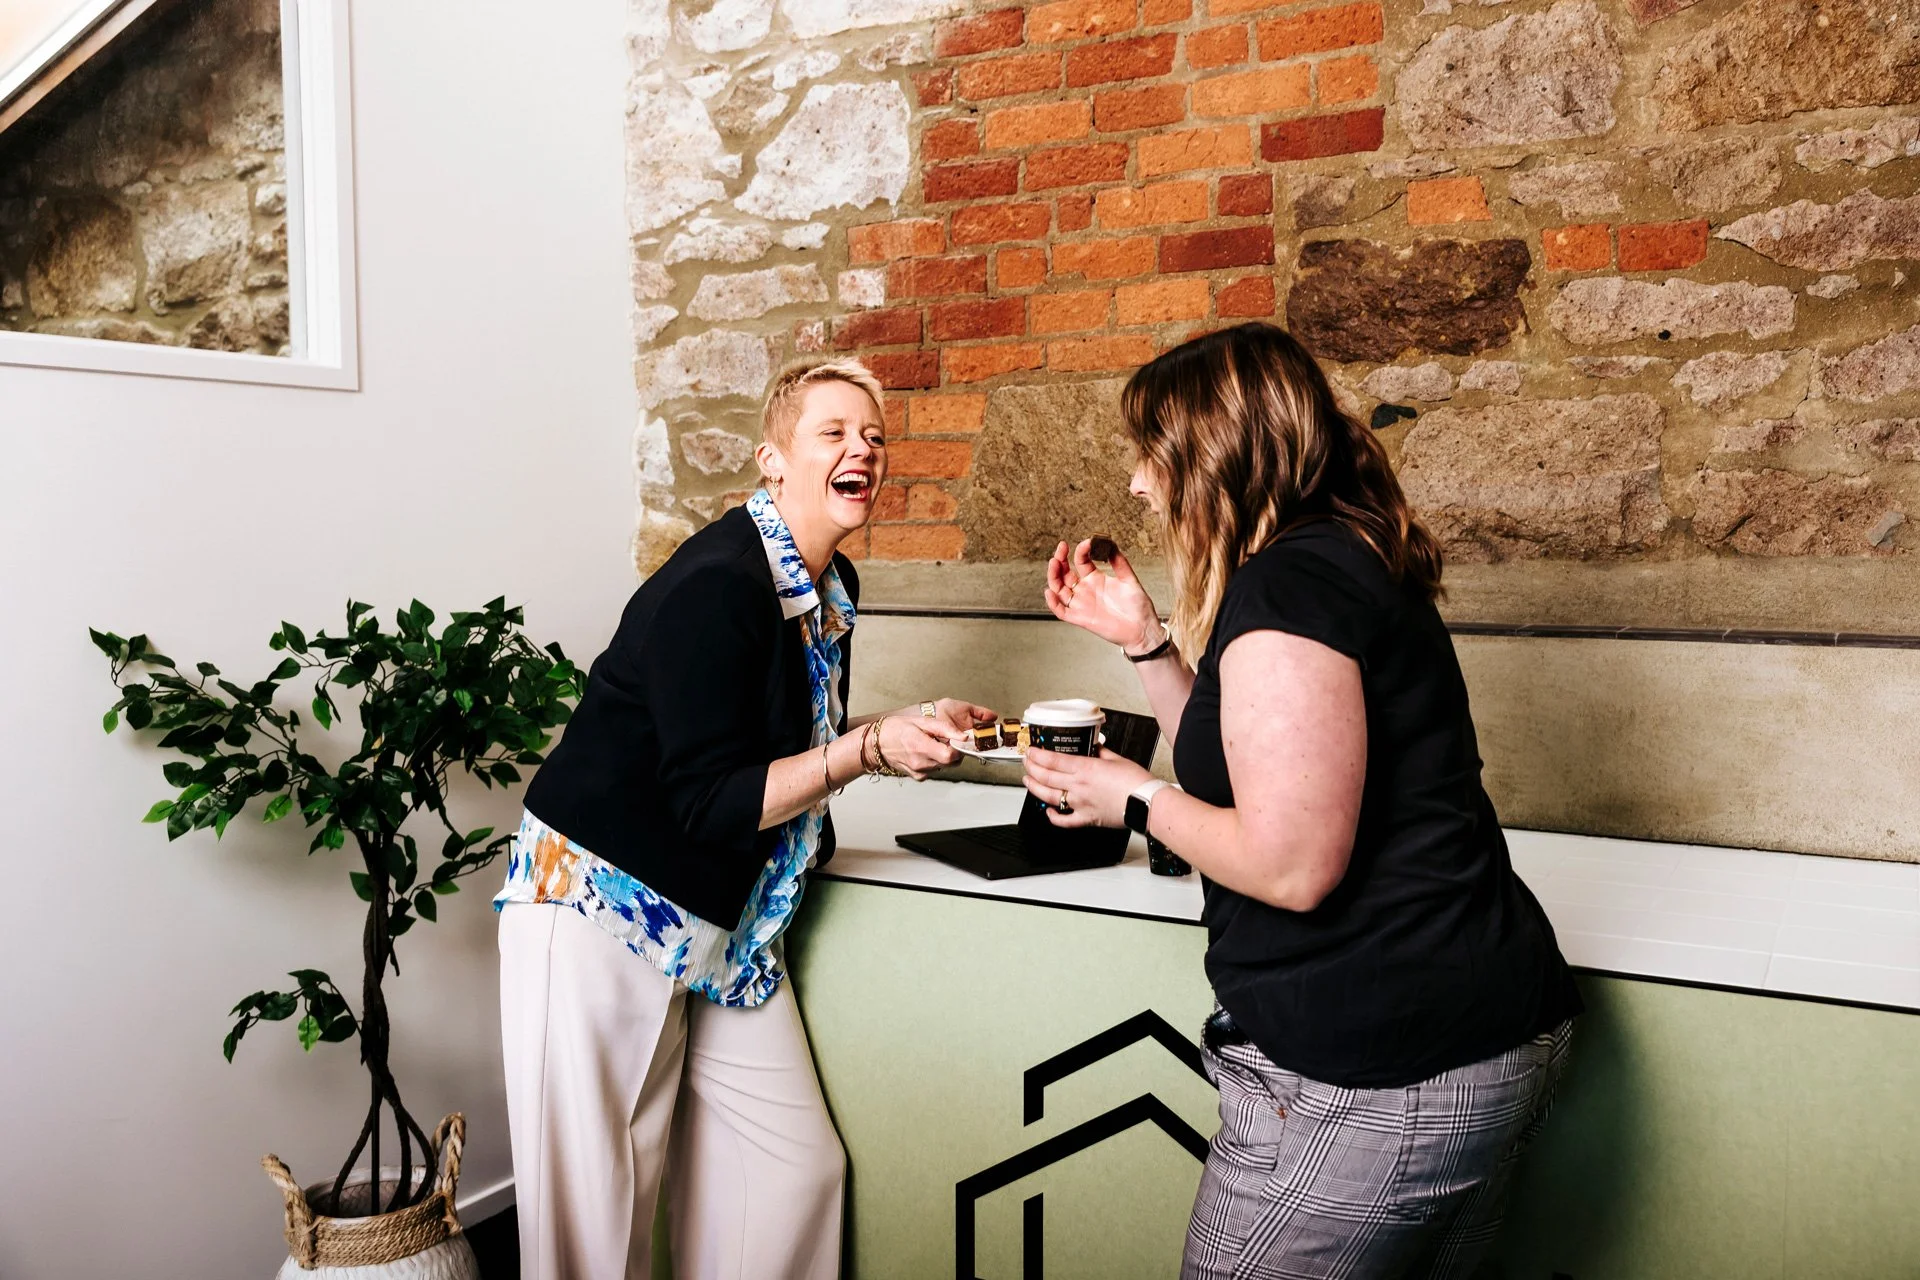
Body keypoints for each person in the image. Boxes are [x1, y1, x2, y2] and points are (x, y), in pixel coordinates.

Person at [1024, 323, 1582, 1279]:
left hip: (1379, 1079)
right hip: (1482, 1032)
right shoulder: (1332, 558)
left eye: (1149, 457)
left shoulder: (1289, 587)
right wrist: (1147, 643)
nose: (1136, 486)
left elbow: (1291, 866)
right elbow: (1247, 760)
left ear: (1214, 456)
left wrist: (1132, 796)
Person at [495, 357, 992, 1279]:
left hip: (716, 929)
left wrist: (902, 728)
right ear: (771, 459)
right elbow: (710, 801)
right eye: (834, 432)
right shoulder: (718, 582)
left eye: (875, 436)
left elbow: (782, 742)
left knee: (794, 1168)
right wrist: (869, 748)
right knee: (593, 1225)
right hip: (601, 909)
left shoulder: (828, 591)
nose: (863, 450)